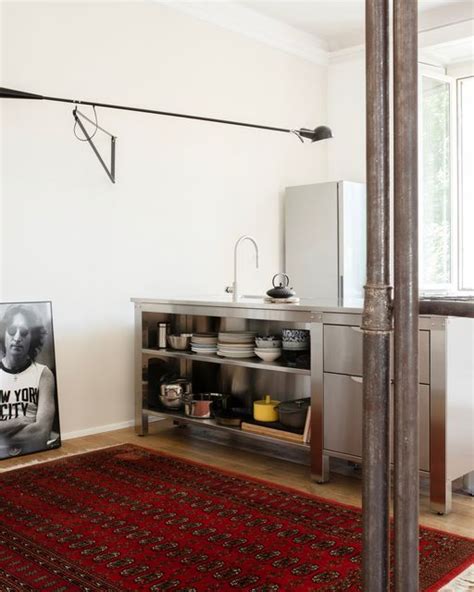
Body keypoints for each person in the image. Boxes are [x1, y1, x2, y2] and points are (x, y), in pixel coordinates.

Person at [0, 304, 56, 458]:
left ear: (32, 339)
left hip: (34, 455)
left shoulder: (44, 374)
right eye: (12, 330)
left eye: (24, 332)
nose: (17, 337)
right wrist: (18, 422)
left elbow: (41, 433)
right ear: (3, 334)